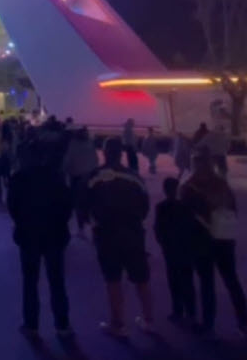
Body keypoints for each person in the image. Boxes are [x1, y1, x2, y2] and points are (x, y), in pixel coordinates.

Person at [88, 137, 156, 338]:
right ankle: (149, 320)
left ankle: (118, 324)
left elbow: (85, 205)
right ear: (121, 154)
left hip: (107, 235)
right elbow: (145, 206)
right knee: (141, 279)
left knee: (113, 280)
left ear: (104, 152)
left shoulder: (94, 177)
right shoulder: (134, 177)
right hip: (133, 234)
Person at [8, 141, 73, 337]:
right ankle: (62, 325)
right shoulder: (56, 177)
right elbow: (67, 206)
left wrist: (22, 223)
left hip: (28, 236)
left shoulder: (19, 178)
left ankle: (31, 324)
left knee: (30, 282)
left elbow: (13, 207)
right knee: (57, 281)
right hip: (55, 235)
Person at [182, 151, 247, 337]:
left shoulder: (189, 187)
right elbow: (233, 209)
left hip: (202, 241)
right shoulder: (222, 185)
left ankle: (208, 323)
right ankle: (243, 321)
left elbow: (184, 217)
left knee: (207, 283)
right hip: (225, 239)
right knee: (231, 280)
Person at [154, 176, 204, 325]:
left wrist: (163, 243)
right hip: (185, 248)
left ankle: (177, 310)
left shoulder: (161, 207)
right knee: (187, 281)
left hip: (170, 249)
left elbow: (158, 229)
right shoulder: (186, 207)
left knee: (174, 281)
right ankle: (191, 312)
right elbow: (193, 227)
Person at [62, 128, 97, 229]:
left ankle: (81, 226)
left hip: (77, 177)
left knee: (78, 202)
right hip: (89, 177)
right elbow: (95, 159)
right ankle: (88, 221)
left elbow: (67, 161)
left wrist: (64, 170)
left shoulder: (73, 145)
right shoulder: (89, 144)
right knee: (88, 201)